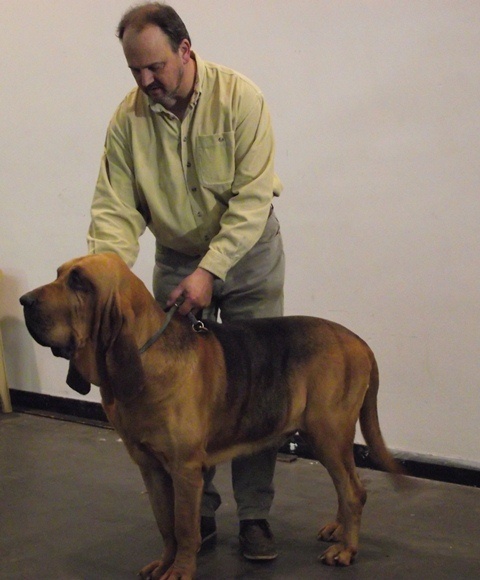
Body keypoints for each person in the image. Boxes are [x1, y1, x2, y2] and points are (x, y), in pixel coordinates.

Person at [87, 2, 285, 561]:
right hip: (177, 257)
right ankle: (197, 515)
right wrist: (103, 278)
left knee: (256, 385)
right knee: (174, 388)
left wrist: (211, 269)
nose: (145, 81)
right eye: (135, 70)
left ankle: (255, 515)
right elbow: (114, 210)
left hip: (248, 253)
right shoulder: (127, 121)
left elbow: (251, 200)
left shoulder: (241, 98)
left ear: (185, 50)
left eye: (155, 67)